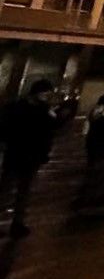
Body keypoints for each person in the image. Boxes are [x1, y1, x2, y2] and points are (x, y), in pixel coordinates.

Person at [0, 80, 59, 239]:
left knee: (23, 192)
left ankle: (17, 224)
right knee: (5, 190)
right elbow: (4, 127)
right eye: (46, 93)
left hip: (32, 157)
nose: (48, 96)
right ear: (36, 92)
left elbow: (49, 133)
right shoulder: (16, 107)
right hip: (16, 154)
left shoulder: (45, 111)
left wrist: (44, 153)